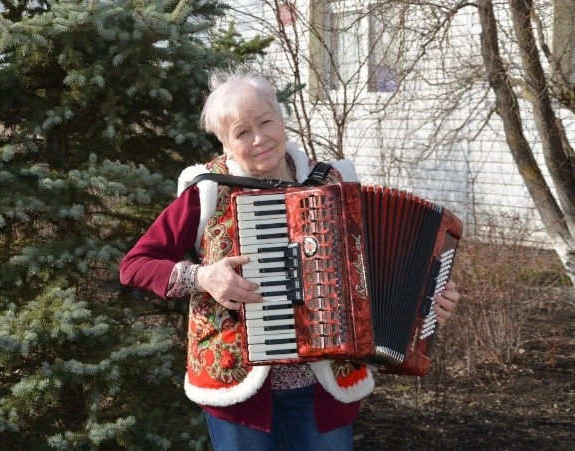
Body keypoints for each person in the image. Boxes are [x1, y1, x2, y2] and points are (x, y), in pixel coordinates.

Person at [119, 70, 461, 451]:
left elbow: (376, 271)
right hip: (238, 387)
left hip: (321, 390)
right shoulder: (209, 192)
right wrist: (203, 277)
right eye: (242, 132)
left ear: (282, 119)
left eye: (266, 122)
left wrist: (426, 301)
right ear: (225, 143)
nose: (259, 138)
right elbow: (135, 264)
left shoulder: (332, 183)